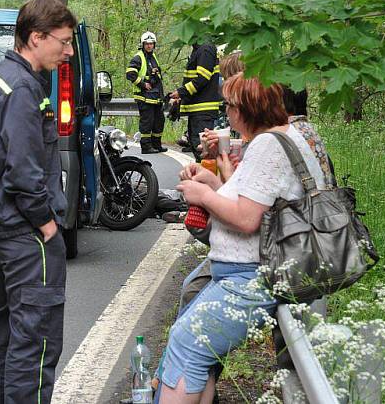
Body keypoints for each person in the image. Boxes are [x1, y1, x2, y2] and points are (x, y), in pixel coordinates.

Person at [155, 74, 327, 403]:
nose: (227, 112)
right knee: (191, 346)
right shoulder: (279, 138)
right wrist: (211, 182)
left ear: (248, 109)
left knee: (187, 344)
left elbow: (247, 220)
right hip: (249, 272)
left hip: (249, 276)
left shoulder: (267, 146)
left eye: (230, 105)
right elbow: (253, 203)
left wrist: (202, 196)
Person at [0, 0, 73, 404]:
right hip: (27, 235)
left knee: (9, 331)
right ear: (35, 37)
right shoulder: (24, 89)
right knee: (37, 340)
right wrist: (46, 223)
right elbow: (24, 170)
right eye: (61, 42)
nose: (66, 51)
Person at [169, 42, 222, 161]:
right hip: (197, 110)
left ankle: (208, 178)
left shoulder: (205, 49)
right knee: (197, 148)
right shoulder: (199, 49)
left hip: (203, 110)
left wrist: (181, 92)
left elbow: (202, 79)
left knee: (203, 151)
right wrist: (181, 97)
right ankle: (202, 178)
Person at [126, 31, 167, 153]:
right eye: (147, 44)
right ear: (143, 44)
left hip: (155, 96)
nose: (149, 46)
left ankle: (156, 145)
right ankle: (146, 147)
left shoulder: (153, 57)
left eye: (151, 44)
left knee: (159, 121)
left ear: (154, 45)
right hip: (144, 97)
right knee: (147, 122)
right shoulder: (138, 57)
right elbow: (130, 74)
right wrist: (143, 84)